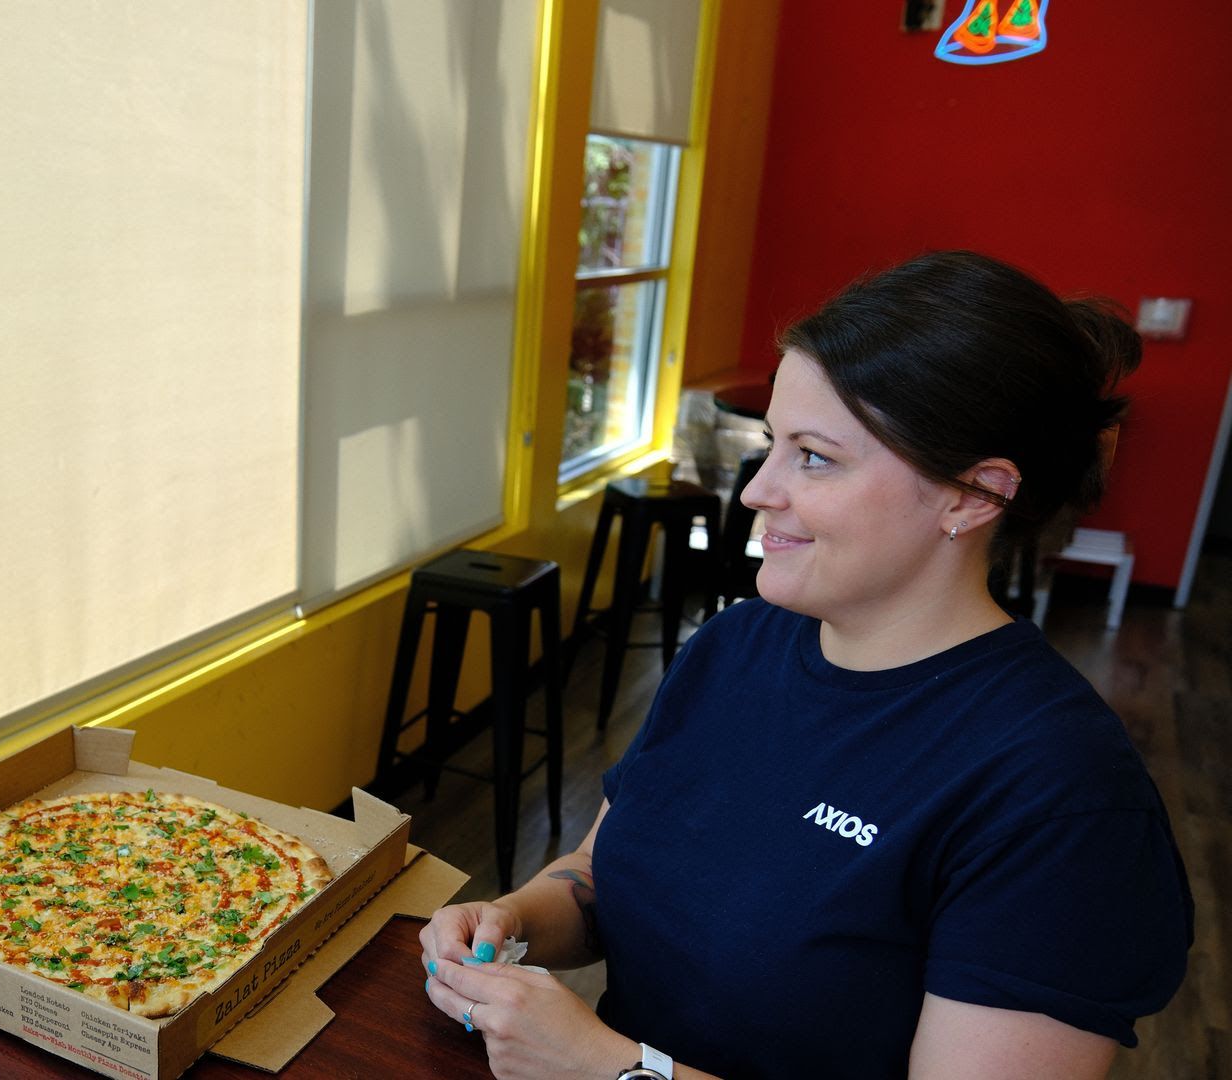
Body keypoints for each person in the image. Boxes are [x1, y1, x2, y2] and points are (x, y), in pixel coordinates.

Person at [420, 251, 1192, 1079]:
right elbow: (600, 875)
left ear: (972, 496)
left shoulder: (1059, 795)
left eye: (814, 457)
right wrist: (510, 918)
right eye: (771, 444)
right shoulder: (734, 645)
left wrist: (617, 1071)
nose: (757, 489)